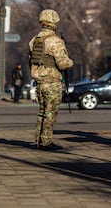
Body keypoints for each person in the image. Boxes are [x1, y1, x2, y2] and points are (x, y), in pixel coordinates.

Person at [29, 9, 73, 151]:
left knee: (42, 112)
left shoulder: (34, 41)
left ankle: (38, 140)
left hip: (39, 81)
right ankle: (46, 142)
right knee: (50, 112)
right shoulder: (55, 41)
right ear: (54, 22)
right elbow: (63, 63)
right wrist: (71, 61)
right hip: (52, 81)